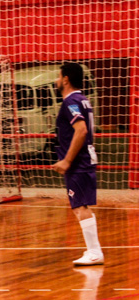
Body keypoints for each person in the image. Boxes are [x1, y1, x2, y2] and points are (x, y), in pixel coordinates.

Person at [53, 63, 103, 266]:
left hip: (79, 161)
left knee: (80, 206)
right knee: (79, 205)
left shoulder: (71, 101)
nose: (56, 80)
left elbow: (81, 130)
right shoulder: (83, 100)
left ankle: (94, 252)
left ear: (66, 79)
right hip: (84, 158)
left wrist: (67, 160)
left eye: (58, 76)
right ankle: (93, 250)